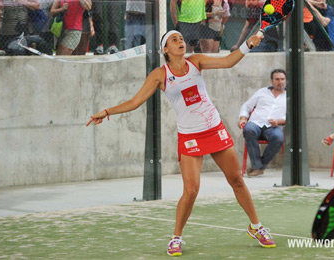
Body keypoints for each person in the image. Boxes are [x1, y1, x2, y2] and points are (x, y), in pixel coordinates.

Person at [86, 30, 276, 257]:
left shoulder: (196, 62)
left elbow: (227, 62)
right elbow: (135, 101)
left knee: (236, 179)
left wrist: (248, 44)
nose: (180, 42)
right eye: (174, 40)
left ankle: (256, 227)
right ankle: (176, 237)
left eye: (181, 39)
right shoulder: (159, 75)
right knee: (191, 190)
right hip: (190, 136)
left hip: (214, 128)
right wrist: (107, 112)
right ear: (165, 49)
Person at [237, 69, 287, 177]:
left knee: (278, 137)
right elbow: (246, 106)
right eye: (277, 79)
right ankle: (257, 167)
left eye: (282, 79)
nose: (280, 82)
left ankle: (258, 166)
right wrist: (243, 118)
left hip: (274, 126)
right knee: (248, 129)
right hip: (256, 123)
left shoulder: (289, 96)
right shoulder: (262, 92)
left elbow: (291, 115)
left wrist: (279, 121)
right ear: (272, 81)